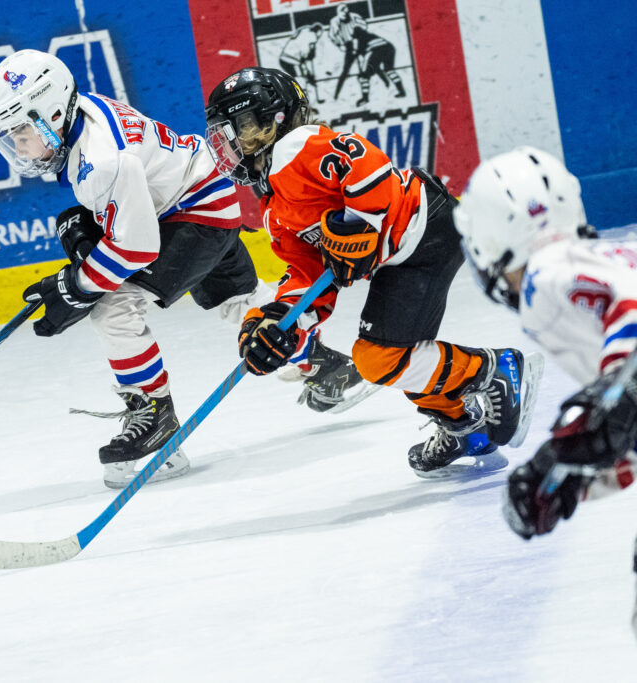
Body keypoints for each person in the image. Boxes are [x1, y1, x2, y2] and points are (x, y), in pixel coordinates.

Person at [0, 50, 368, 488]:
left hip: (193, 213)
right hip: (198, 190)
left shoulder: (100, 160)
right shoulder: (80, 110)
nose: (19, 147)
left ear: (51, 112)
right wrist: (89, 243)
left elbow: (136, 249)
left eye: (22, 133)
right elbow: (132, 212)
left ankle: (155, 418)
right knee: (236, 300)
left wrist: (76, 286)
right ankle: (323, 365)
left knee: (112, 310)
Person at [204, 67, 543, 477]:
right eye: (230, 132)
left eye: (244, 126)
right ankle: (464, 426)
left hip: (424, 228)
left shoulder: (297, 147)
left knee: (380, 358)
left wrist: (363, 224)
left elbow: (364, 162)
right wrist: (275, 323)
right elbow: (307, 275)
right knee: (391, 353)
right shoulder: (275, 210)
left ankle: (494, 370)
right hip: (407, 250)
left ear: (278, 117)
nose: (237, 143)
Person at [453, 147, 637, 632]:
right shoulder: (606, 256)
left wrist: (607, 403)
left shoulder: (545, 279)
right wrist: (573, 475)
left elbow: (632, 321)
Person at [278, 23, 325, 103]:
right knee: (301, 79)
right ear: (317, 31)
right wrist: (310, 54)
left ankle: (300, 98)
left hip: (284, 58)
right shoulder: (313, 37)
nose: (319, 36)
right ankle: (302, 101)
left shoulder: (304, 29)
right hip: (292, 60)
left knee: (299, 78)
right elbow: (305, 53)